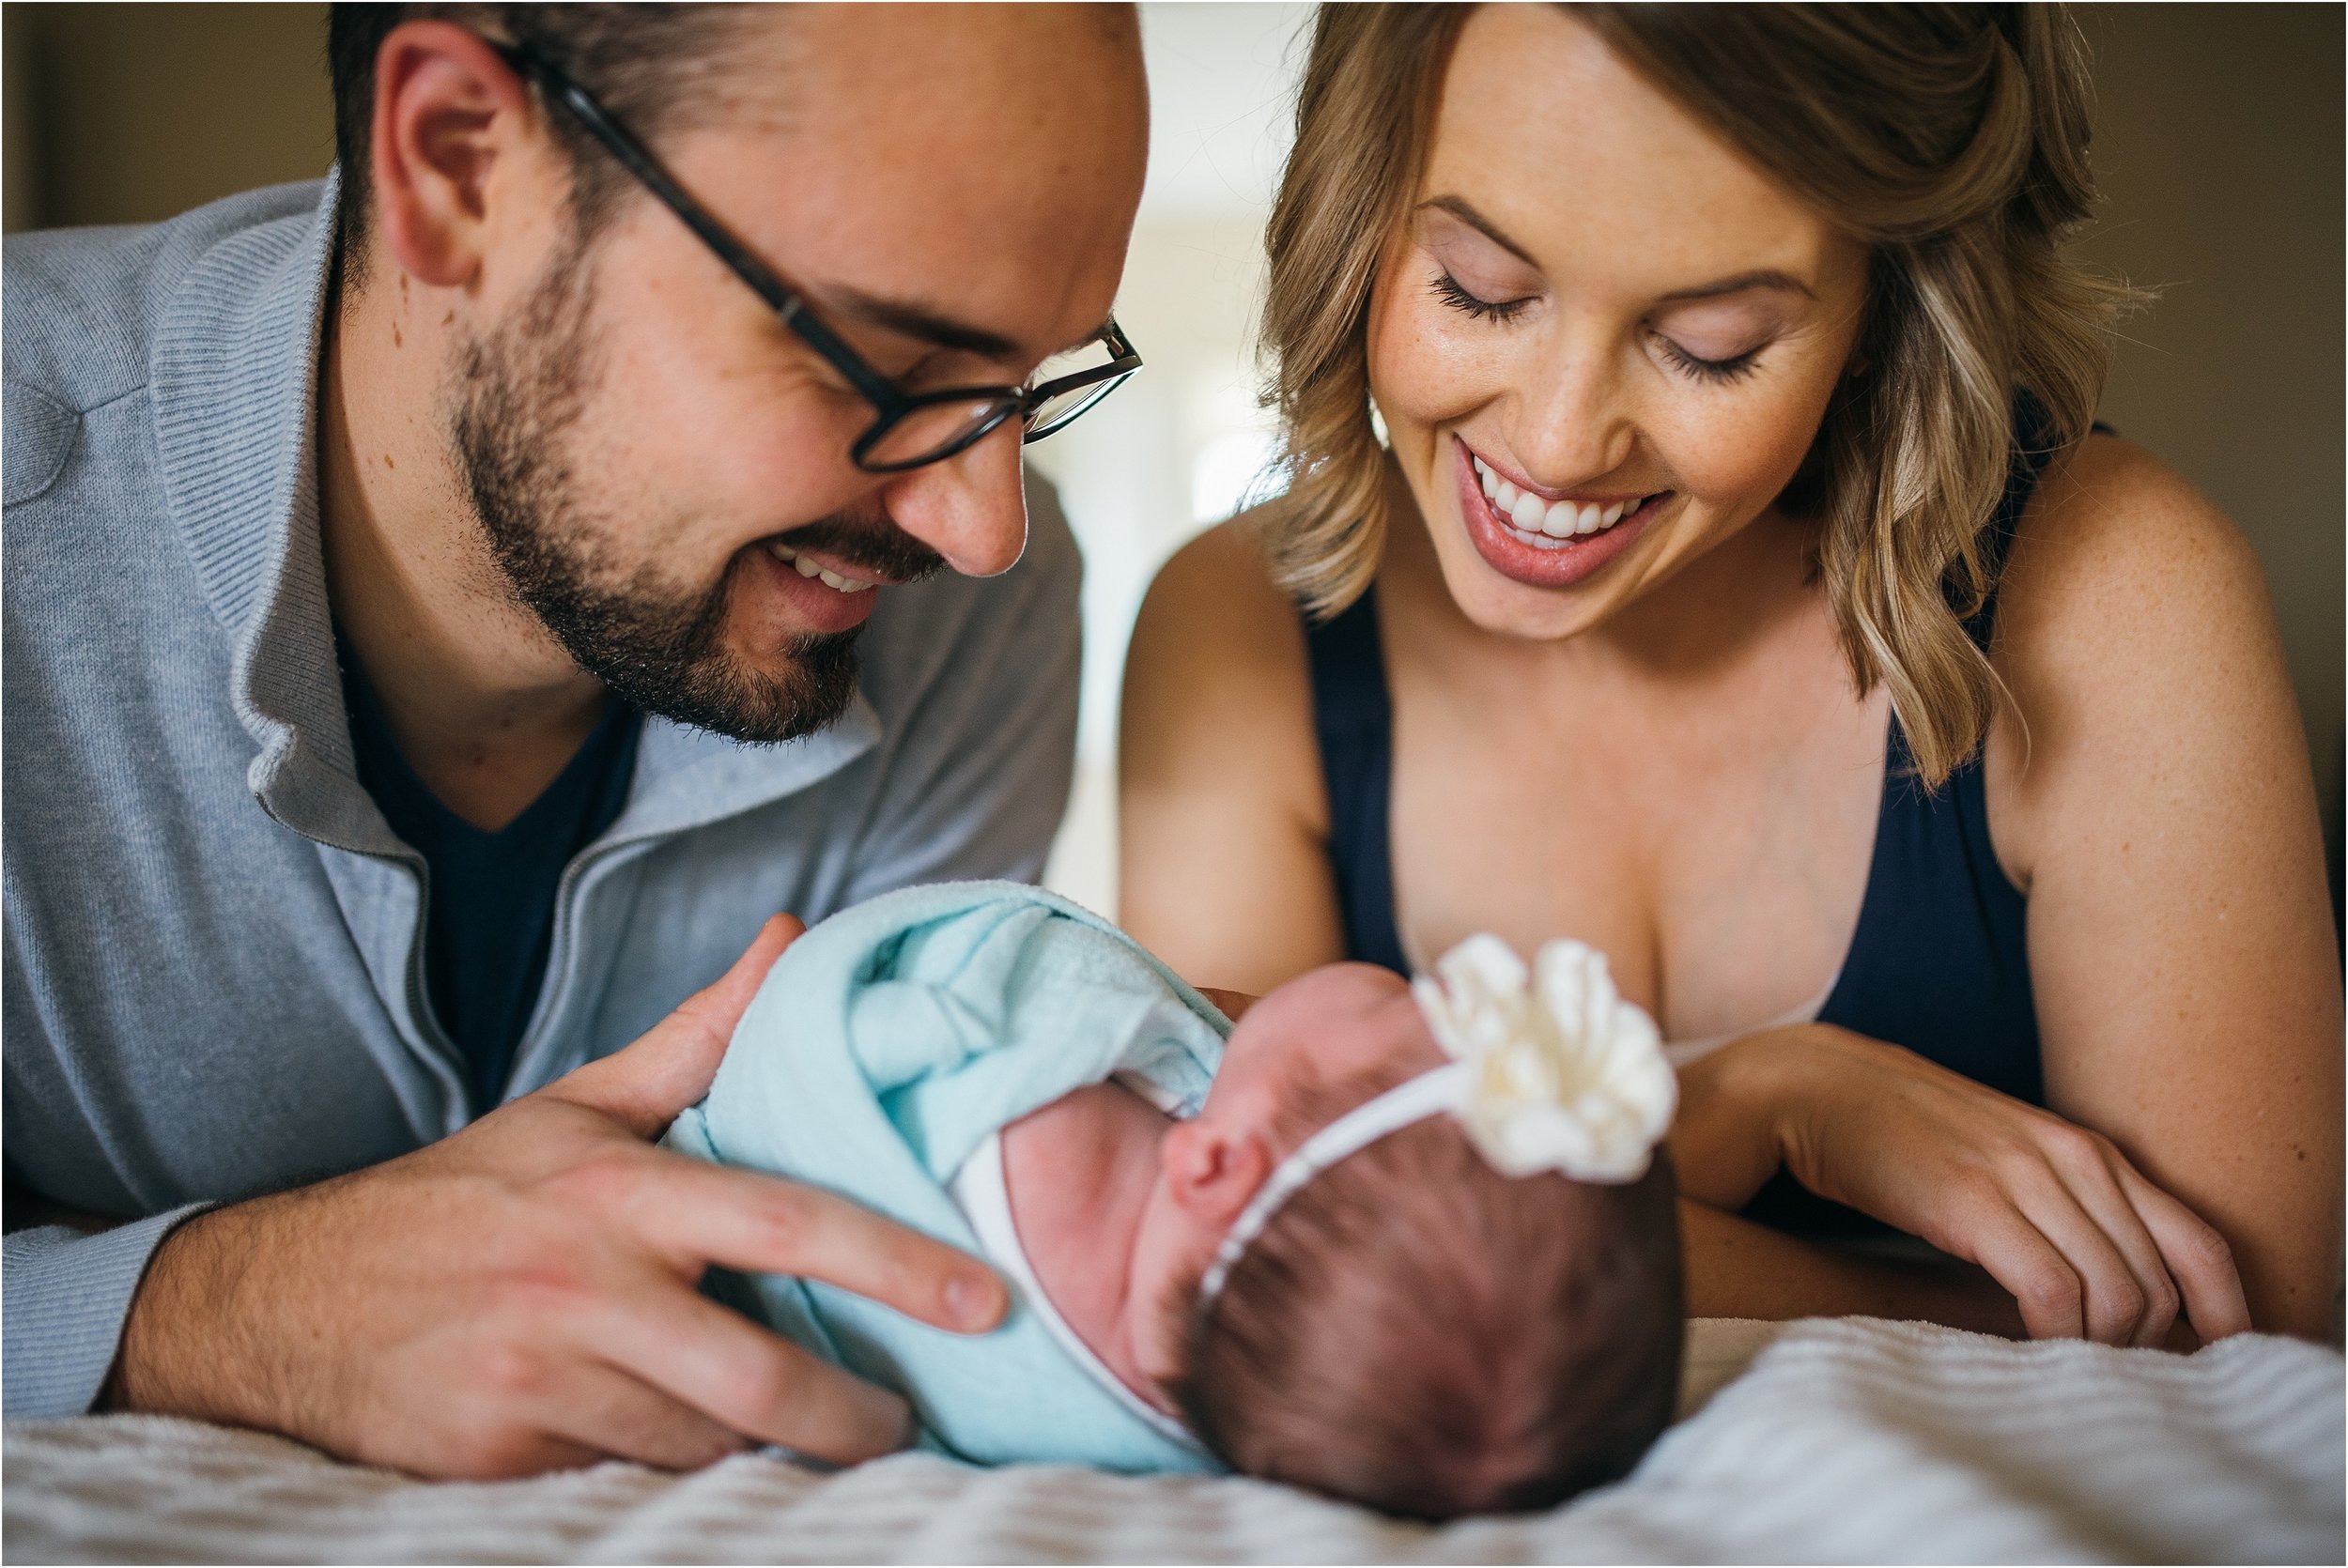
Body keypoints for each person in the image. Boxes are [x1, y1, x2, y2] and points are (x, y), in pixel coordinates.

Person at [3, 3, 1151, 1477]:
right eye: (880, 364)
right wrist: (226, 1307)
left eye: (1028, 381)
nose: (983, 526)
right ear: (462, 165)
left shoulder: (976, 618)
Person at [1121, 4, 2340, 1345]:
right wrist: (1763, 1101)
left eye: (1710, 342)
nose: (1560, 438)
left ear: (1888, 303)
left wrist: (1530, 1215)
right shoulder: (1239, 626)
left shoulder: (2113, 590)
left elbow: (2233, 1342)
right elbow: (1233, 1249)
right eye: (1478, 285)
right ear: (1358, 213)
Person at [667, 880, 1683, 1518]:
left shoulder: (1035, 1084)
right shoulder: (1213, 1427)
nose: (1395, 976)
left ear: (1213, 1165)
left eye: (1397, 1004)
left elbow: (950, 961)